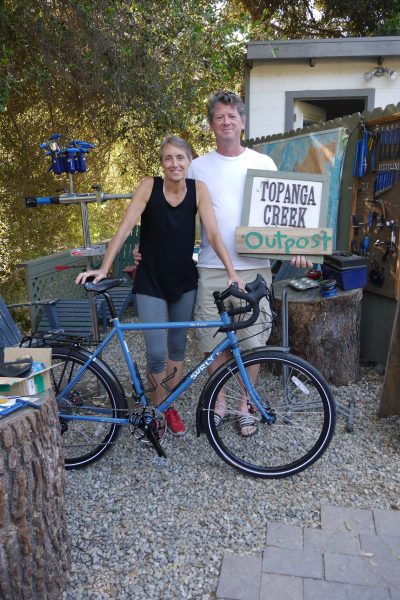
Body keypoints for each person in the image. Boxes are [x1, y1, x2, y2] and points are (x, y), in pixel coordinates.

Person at [76, 135, 245, 437]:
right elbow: (125, 226)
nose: (174, 163)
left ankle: (168, 405)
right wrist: (103, 267)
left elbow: (214, 234)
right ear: (162, 162)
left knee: (177, 349)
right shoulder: (148, 186)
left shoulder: (198, 190)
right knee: (155, 353)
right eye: (168, 158)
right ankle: (155, 410)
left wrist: (231, 272)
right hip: (150, 282)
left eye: (180, 157)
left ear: (189, 161)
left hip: (184, 281)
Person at [188, 91, 312, 437]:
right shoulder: (197, 167)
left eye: (232, 116)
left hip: (255, 268)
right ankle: (220, 403)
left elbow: (282, 215)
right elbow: (179, 216)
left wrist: (297, 247)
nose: (226, 122)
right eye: (219, 117)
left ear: (242, 122)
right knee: (213, 342)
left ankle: (246, 405)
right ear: (211, 124)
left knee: (253, 343)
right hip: (211, 268)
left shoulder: (263, 164)